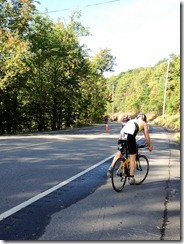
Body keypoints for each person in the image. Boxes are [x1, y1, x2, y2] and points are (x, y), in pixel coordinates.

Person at [107, 113, 153, 184]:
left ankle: (111, 168)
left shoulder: (131, 120)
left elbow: (124, 127)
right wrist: (149, 146)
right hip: (130, 136)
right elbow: (147, 135)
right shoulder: (144, 123)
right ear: (144, 119)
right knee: (132, 157)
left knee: (120, 153)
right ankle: (131, 178)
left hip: (122, 134)